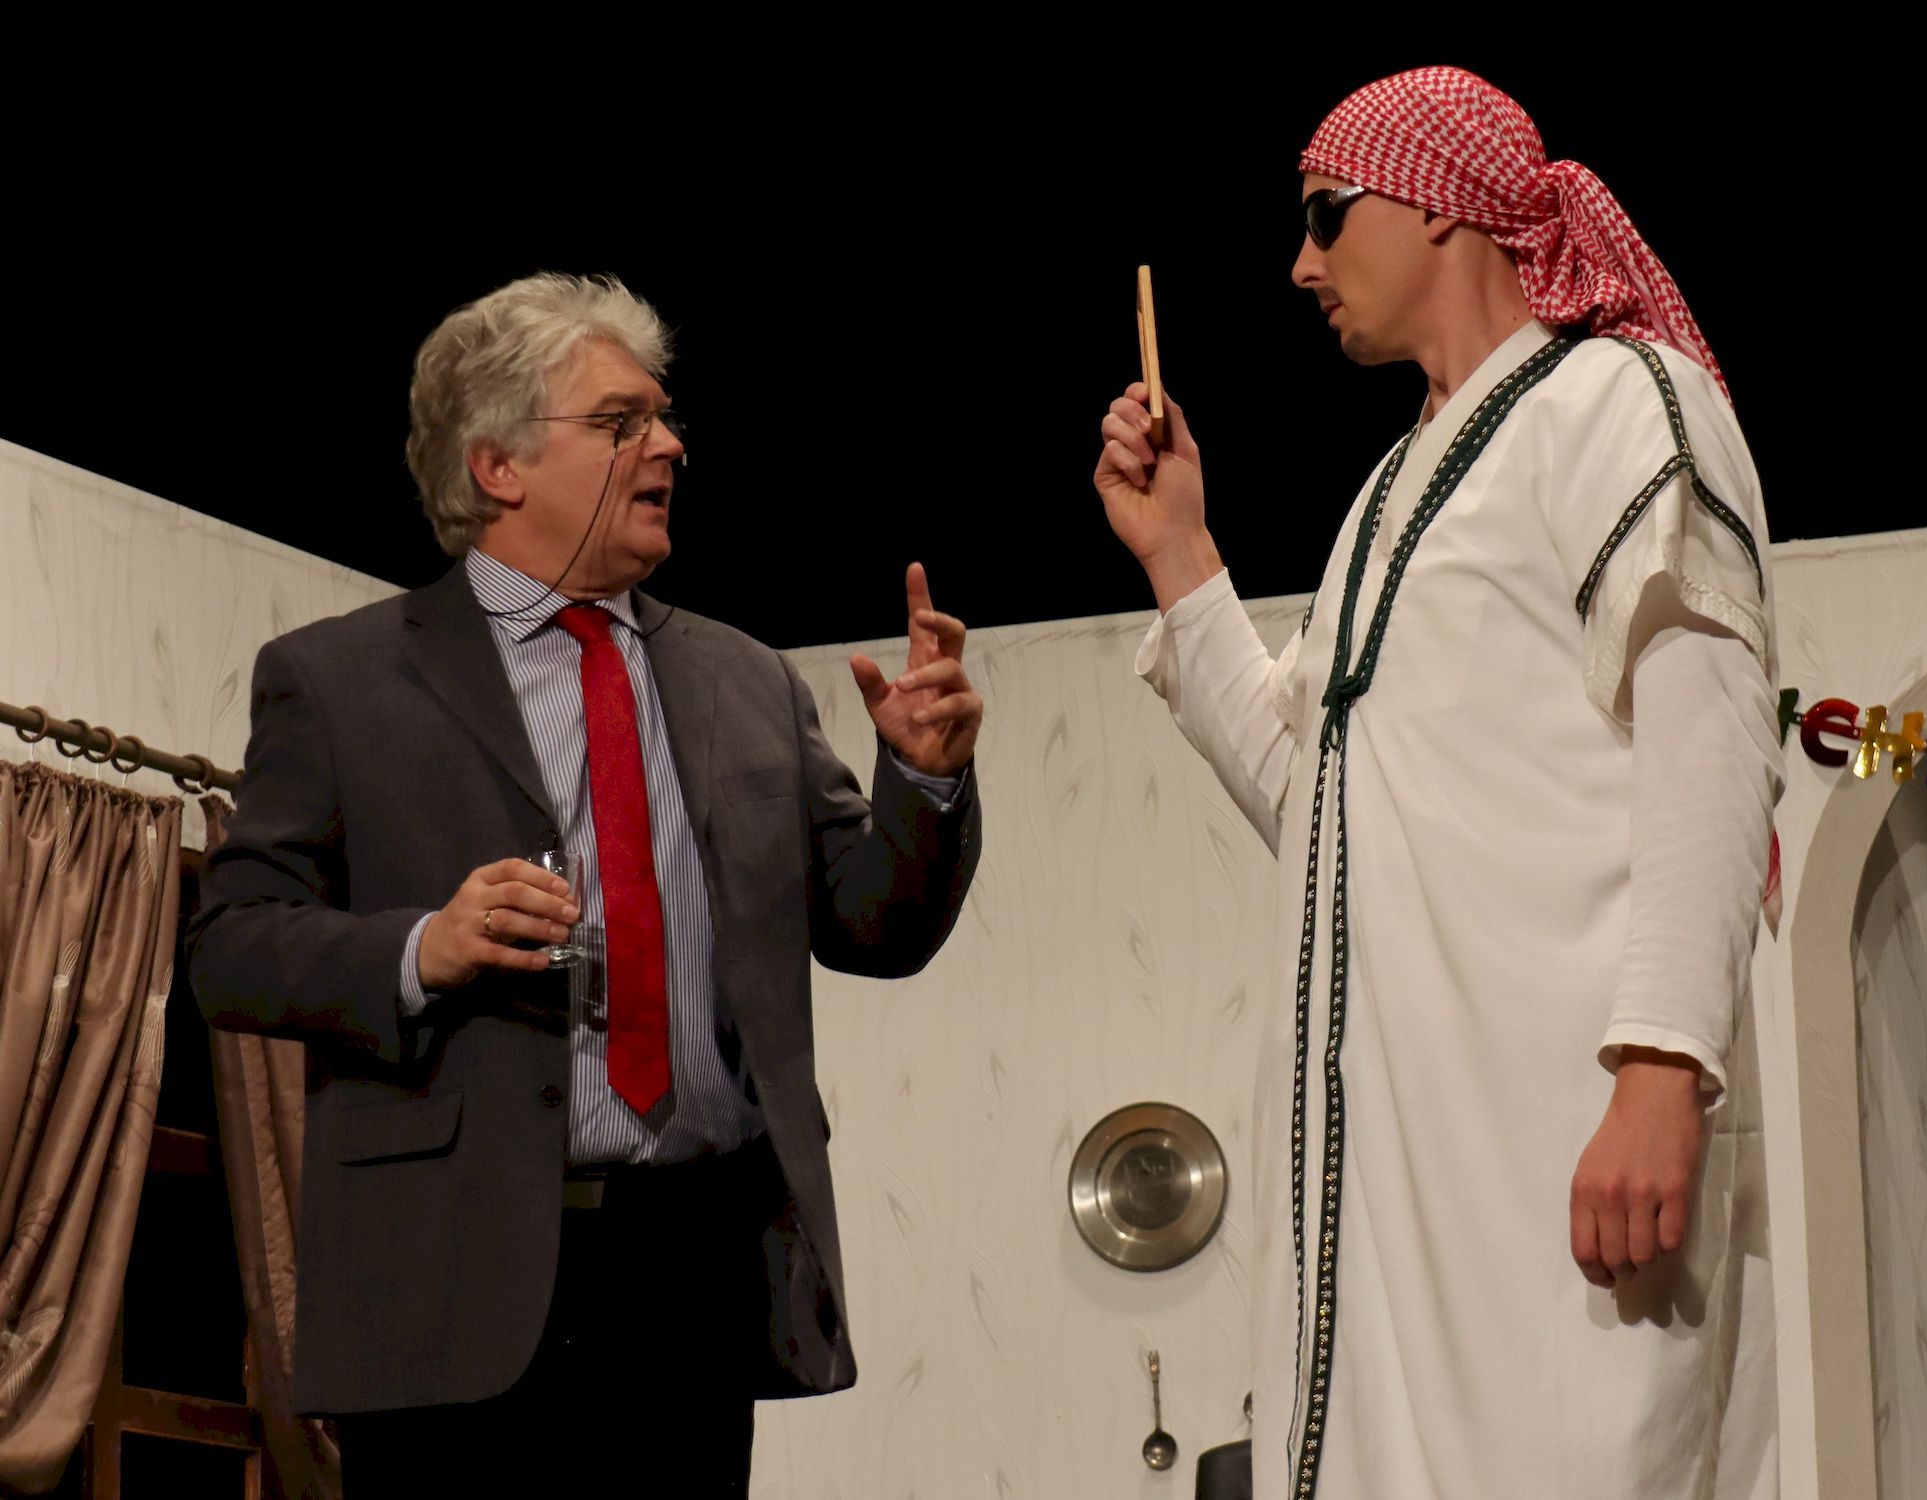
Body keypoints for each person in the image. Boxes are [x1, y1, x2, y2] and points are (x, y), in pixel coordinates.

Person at [1094, 67, 1782, 1499]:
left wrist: (1660, 1071)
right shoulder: (1389, 491)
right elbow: (1325, 805)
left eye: (1322, 216)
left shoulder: (1615, 401)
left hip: (1556, 1135)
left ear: (1434, 204)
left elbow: (1709, 729)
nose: (1300, 265)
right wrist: (1181, 557)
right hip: (1399, 1173)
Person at [190, 272, 983, 1495]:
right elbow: (233, 945)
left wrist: (923, 782)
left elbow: (873, 923)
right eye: (619, 422)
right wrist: (421, 949)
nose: (668, 445)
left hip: (696, 1271)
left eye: (662, 418)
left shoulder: (747, 679)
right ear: (497, 465)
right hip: (453, 1276)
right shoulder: (339, 681)